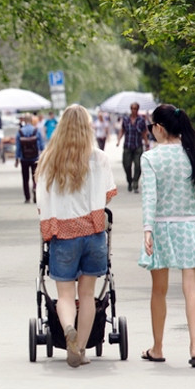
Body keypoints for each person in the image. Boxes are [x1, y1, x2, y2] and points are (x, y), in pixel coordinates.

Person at [138, 104, 195, 368]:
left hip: (162, 227)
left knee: (159, 290)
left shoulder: (151, 158)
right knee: (192, 289)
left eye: (151, 127)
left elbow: (149, 197)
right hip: (191, 227)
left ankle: (158, 347)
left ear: (160, 129)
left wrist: (147, 229)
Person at [35, 104, 117, 367]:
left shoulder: (49, 160)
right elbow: (107, 196)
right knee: (89, 293)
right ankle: (80, 349)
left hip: (64, 235)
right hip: (93, 235)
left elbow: (41, 201)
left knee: (66, 295)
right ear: (87, 127)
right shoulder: (99, 158)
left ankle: (67, 327)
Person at [116, 102, 149, 193]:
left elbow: (144, 132)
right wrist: (118, 140)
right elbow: (122, 130)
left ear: (138, 109)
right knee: (126, 165)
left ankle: (135, 183)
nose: (134, 110)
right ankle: (129, 181)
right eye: (132, 108)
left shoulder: (141, 120)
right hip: (128, 145)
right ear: (130, 109)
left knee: (138, 165)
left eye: (136, 109)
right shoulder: (126, 119)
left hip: (138, 145)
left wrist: (146, 143)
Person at [15, 114, 44, 203]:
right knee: (35, 177)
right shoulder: (36, 131)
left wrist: (17, 159)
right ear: (32, 120)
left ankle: (27, 197)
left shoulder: (20, 132)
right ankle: (35, 189)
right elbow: (42, 146)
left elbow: (18, 147)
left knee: (25, 178)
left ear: (24, 121)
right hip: (35, 158)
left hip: (24, 159)